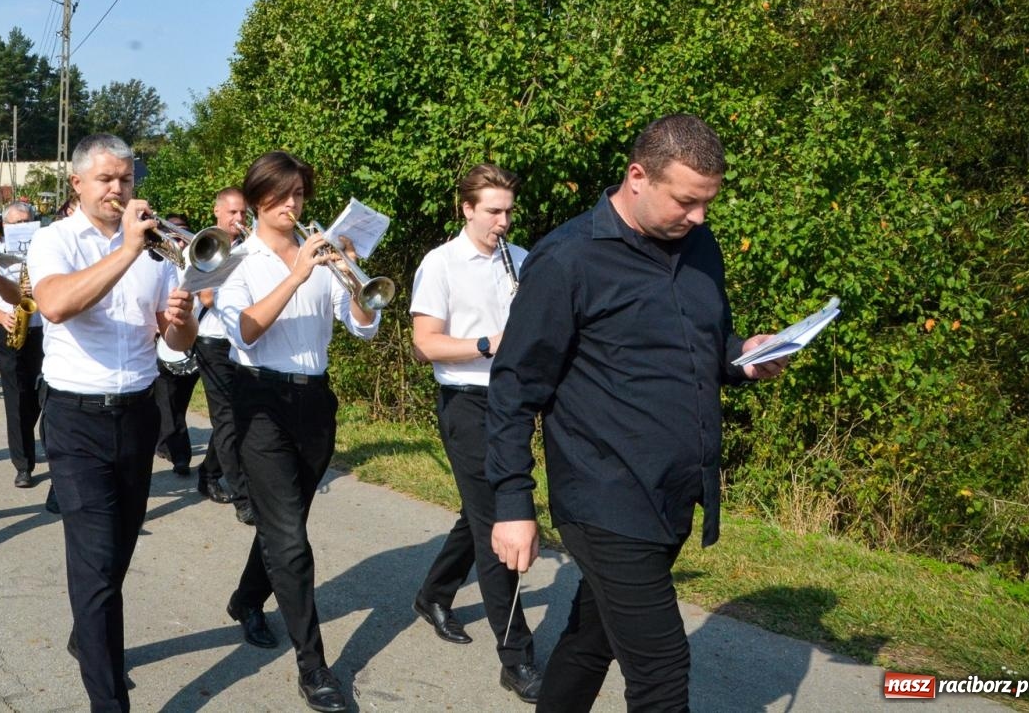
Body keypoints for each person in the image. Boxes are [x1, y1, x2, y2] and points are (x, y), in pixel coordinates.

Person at [487, 114, 791, 713]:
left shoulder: (698, 244)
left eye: (708, 203)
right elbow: (514, 388)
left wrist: (743, 357)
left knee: (589, 639)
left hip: (675, 492)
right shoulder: (567, 260)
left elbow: (709, 340)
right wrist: (512, 504)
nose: (699, 217)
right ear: (637, 178)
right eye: (685, 201)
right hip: (604, 495)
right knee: (662, 670)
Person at [27, 133, 197, 713]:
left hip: (138, 414)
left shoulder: (154, 254)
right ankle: (108, 701)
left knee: (118, 553)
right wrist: (125, 250)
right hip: (76, 419)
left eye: (126, 179)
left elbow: (174, 342)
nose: (118, 189)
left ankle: (88, 635)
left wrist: (181, 319)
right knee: (97, 563)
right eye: (105, 179)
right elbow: (54, 304)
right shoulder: (56, 242)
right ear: (77, 184)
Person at [215, 151, 380, 713]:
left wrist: (353, 279)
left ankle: (244, 599)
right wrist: (298, 272)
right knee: (290, 541)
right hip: (259, 400)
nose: (293, 205)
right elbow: (245, 332)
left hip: (315, 400)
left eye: (300, 195)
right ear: (258, 198)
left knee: (287, 522)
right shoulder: (235, 260)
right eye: (282, 195)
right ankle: (315, 668)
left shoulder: (323, 255)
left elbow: (362, 327)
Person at [409, 164, 543, 701]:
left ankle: (433, 593)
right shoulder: (440, 264)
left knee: (478, 509)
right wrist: (490, 343)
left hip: (513, 404)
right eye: (493, 210)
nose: (503, 221)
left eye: (508, 210)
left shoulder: (523, 261)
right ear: (466, 208)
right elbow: (426, 345)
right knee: (498, 525)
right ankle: (517, 657)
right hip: (466, 403)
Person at [192, 186, 255, 524]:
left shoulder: (251, 248)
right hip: (213, 342)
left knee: (236, 417)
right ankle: (243, 499)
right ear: (217, 212)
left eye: (243, 213)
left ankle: (208, 472)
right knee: (227, 419)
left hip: (241, 344)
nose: (238, 219)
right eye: (232, 212)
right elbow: (205, 299)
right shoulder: (208, 247)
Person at [0, 199, 43, 489]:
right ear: (5, 226)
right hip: (9, 329)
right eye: (15, 223)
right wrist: (0, 316)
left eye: (26, 222)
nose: (21, 228)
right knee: (16, 399)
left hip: (42, 331)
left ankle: (35, 442)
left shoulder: (46, 252)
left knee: (40, 397)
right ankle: (23, 464)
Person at [152, 212, 203, 477]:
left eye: (183, 232)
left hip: (196, 338)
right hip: (163, 341)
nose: (179, 238)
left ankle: (164, 442)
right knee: (167, 399)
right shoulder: (157, 259)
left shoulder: (199, 259)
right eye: (173, 232)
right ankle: (180, 455)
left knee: (178, 401)